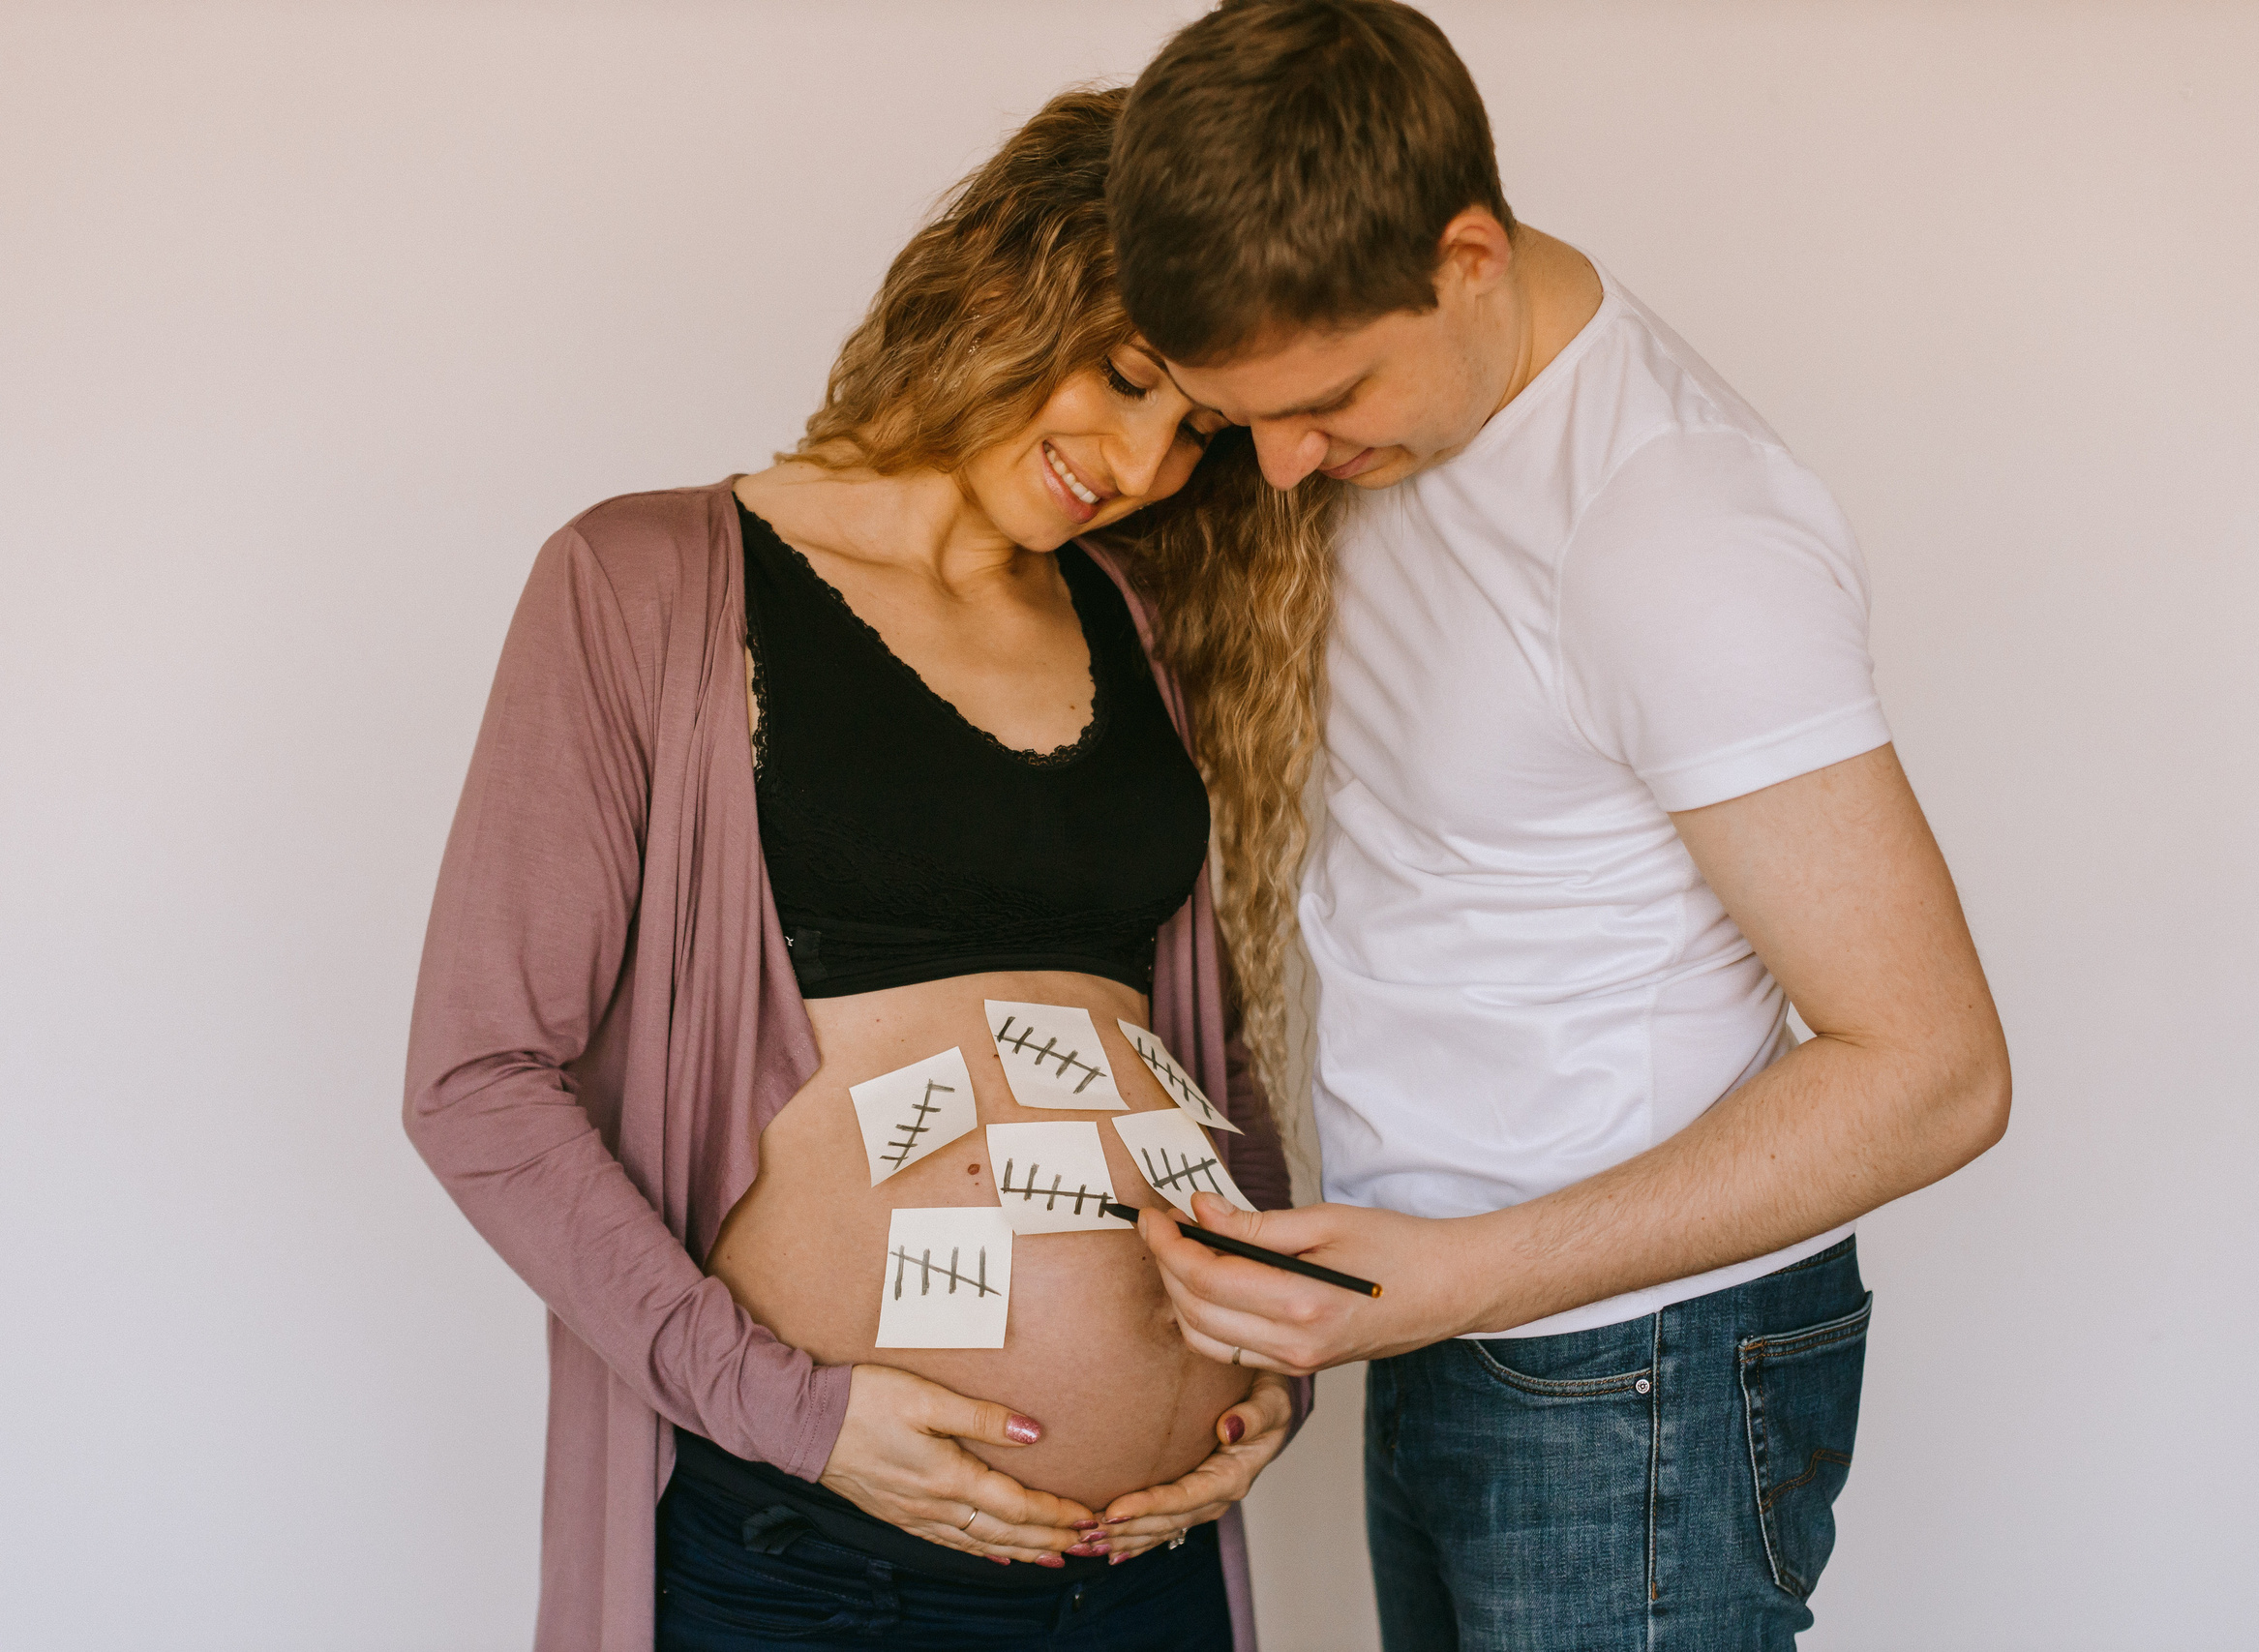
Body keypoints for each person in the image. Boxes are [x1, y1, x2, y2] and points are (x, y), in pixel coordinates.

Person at [1105, 5, 2014, 1648]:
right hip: (1445, 1323)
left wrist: (1466, 1277)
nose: (1285, 467)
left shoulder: (1677, 529)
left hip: (1636, 1376)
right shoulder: (1402, 419)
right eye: (1241, 418)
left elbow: (1934, 1070)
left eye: (1325, 399)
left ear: (1466, 258)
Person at [405, 87, 1342, 1652]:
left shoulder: (1142, 627)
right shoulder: (646, 583)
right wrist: (795, 1410)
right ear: (1006, 279)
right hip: (826, 1573)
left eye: (1198, 430)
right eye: (1126, 377)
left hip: (1150, 1573)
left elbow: (1203, 1067)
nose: (1140, 459)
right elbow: (478, 1083)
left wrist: (1270, 1366)